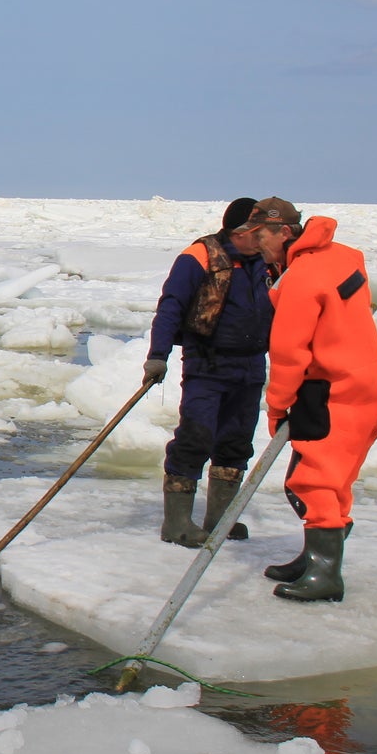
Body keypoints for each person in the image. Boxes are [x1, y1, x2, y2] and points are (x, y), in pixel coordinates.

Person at [250, 197, 377, 602]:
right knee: (334, 482)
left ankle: (326, 574)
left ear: (284, 233)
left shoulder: (300, 280)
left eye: (260, 236)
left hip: (330, 393)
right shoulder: (343, 257)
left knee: (312, 482)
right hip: (364, 389)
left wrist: (277, 407)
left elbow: (290, 354)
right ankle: (314, 557)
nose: (257, 245)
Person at [143, 197, 274, 547]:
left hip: (250, 365)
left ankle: (220, 519)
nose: (264, 238)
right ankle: (177, 523)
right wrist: (158, 355)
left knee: (236, 442)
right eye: (258, 231)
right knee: (195, 437)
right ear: (240, 230)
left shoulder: (267, 261)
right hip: (208, 363)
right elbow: (172, 305)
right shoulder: (199, 257)